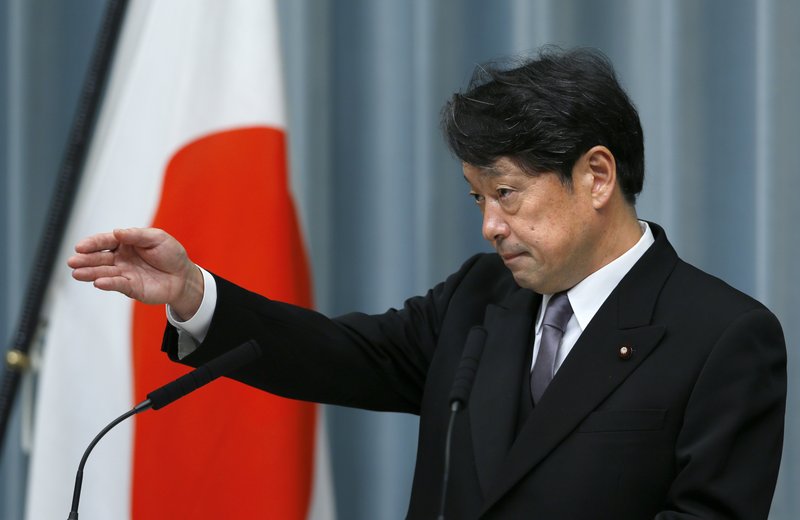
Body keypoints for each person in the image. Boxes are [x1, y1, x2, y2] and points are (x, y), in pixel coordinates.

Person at [68, 48, 786, 519]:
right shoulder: (483, 299)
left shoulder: (721, 336)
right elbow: (346, 353)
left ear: (596, 176)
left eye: (508, 193)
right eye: (478, 198)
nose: (491, 226)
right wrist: (194, 293)